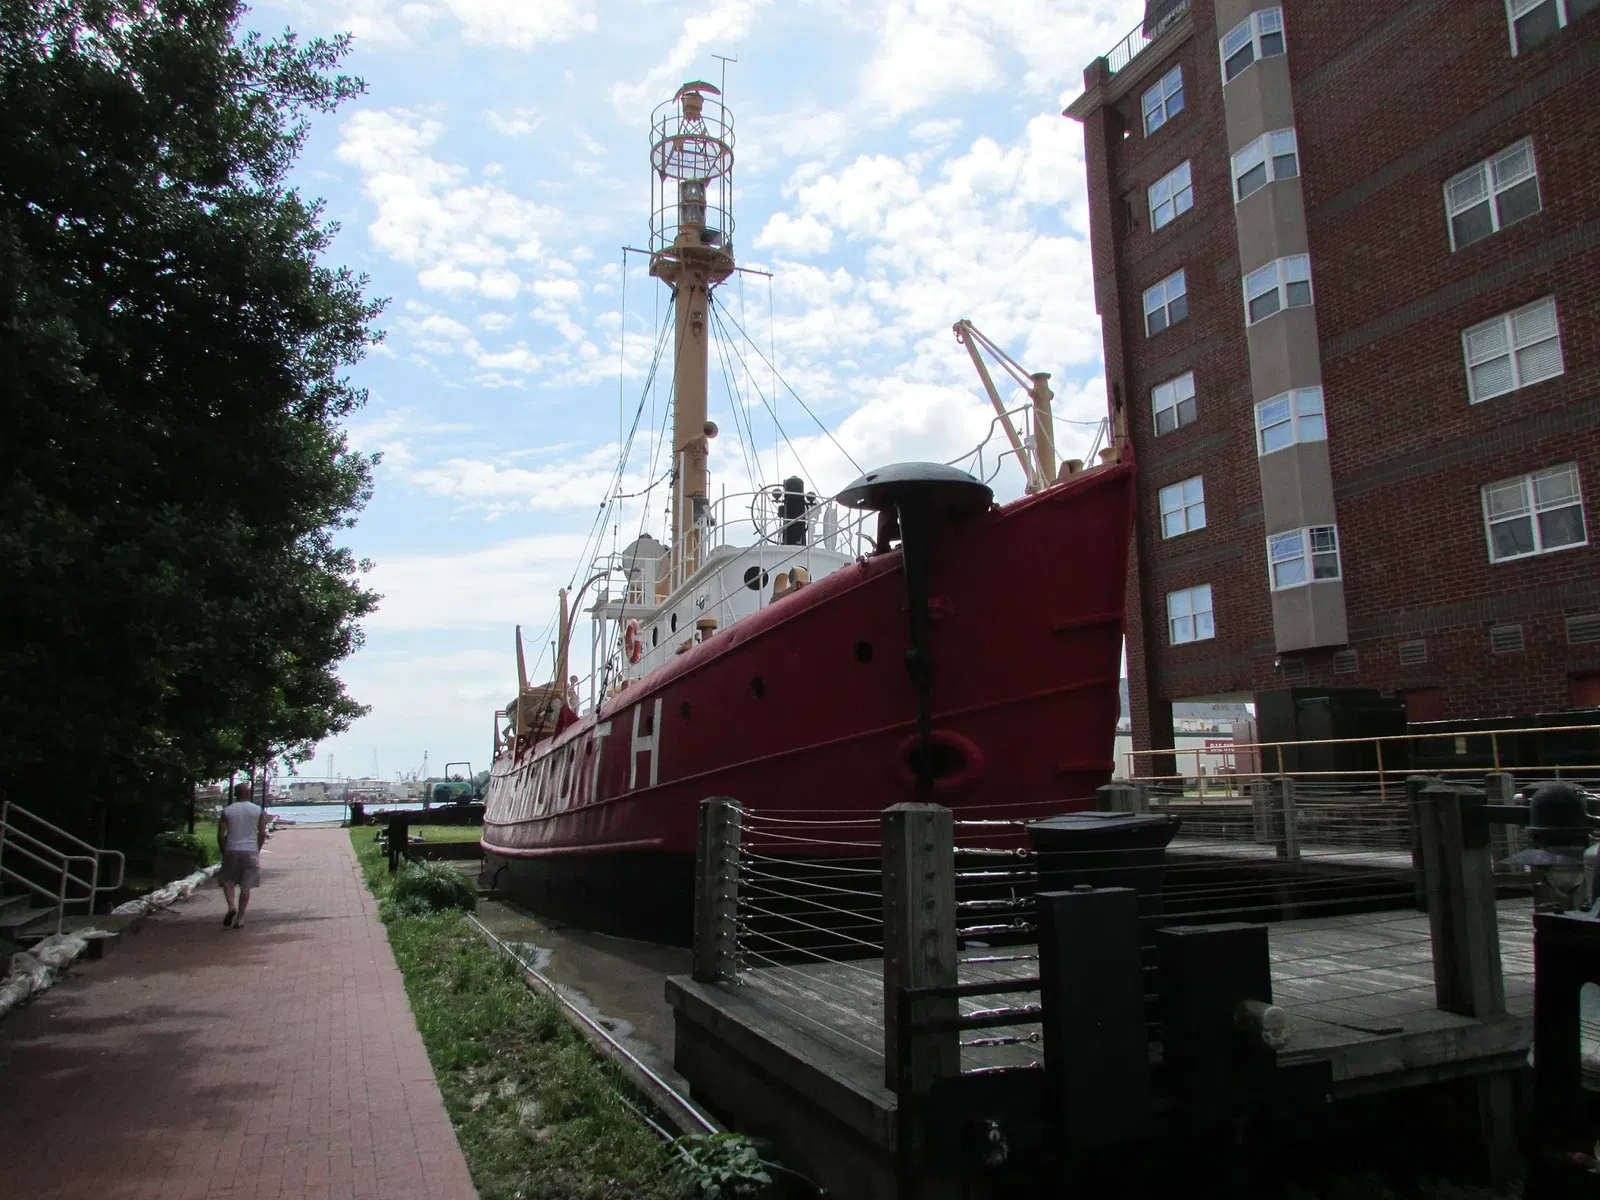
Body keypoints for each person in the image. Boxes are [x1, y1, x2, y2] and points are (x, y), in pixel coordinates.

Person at [217, 782, 269, 929]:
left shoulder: (227, 811)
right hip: (250, 850)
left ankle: (231, 906)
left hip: (232, 850)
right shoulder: (257, 810)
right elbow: (262, 833)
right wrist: (257, 849)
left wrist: (223, 849)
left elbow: (221, 834)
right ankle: (240, 918)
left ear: (235, 794)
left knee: (227, 880)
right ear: (249, 793)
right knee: (246, 886)